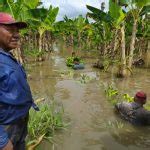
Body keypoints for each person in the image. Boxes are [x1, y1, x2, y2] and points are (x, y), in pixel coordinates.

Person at [0, 12, 38, 150]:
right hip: (6, 127)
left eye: (17, 31)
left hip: (18, 123)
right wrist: (2, 141)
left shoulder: (6, 55)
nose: (17, 35)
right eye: (10, 30)